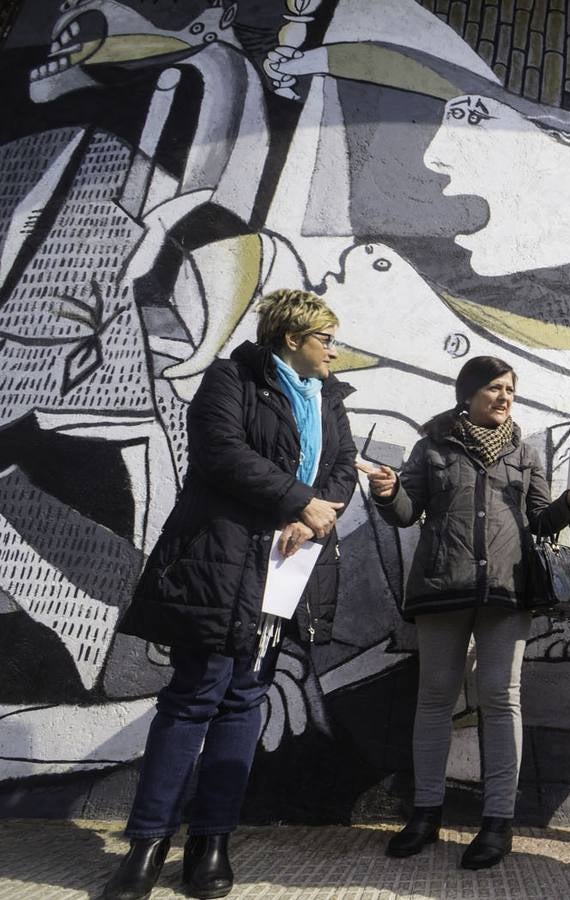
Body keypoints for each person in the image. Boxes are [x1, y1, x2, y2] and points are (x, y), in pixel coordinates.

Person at [105, 289, 356, 900]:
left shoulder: (330, 401)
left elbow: (343, 466)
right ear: (292, 338)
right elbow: (220, 454)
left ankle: (211, 842)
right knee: (195, 695)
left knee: (245, 697)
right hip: (220, 562)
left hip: (284, 566)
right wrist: (297, 499)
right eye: (326, 338)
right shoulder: (230, 378)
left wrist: (310, 516)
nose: (334, 351)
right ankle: (146, 844)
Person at [362, 355, 570, 871]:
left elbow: (540, 520)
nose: (505, 397)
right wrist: (387, 493)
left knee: (501, 697)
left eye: (511, 390)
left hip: (506, 591)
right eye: (495, 388)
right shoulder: (432, 447)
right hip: (440, 587)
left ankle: (498, 822)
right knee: (434, 699)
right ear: (468, 393)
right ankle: (425, 813)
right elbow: (406, 513)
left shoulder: (525, 451)